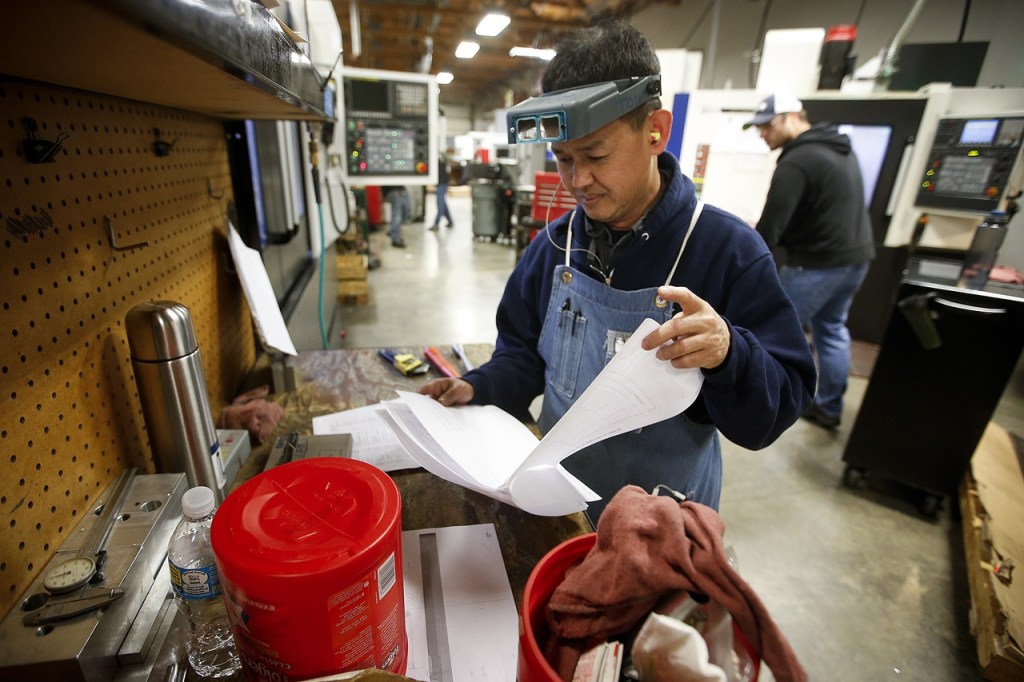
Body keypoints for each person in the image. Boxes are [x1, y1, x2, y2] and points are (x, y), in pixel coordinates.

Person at [419, 21, 815, 521]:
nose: (577, 180)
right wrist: (478, 386)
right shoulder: (553, 249)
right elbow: (522, 358)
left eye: (596, 155)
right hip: (560, 505)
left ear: (656, 131)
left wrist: (730, 353)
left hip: (664, 524)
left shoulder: (726, 251)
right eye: (563, 158)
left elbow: (773, 414)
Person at [745, 93, 875, 430]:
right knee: (831, 329)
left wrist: (749, 264)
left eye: (767, 126)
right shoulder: (839, 149)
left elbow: (772, 226)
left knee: (771, 331)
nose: (763, 135)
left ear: (791, 117)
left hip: (817, 264)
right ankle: (829, 407)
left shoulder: (797, 162)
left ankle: (759, 403)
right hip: (855, 259)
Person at [430, 152, 454, 230]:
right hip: (442, 183)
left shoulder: (439, 160)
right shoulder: (441, 159)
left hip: (442, 183)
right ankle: (450, 221)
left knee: (440, 204)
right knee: (443, 203)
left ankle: (436, 223)